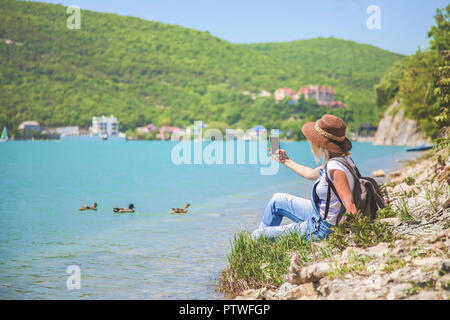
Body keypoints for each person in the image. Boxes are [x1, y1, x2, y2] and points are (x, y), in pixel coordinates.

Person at [252, 114, 358, 240]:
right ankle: (265, 237)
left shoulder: (335, 168)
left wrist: (354, 238)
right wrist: (286, 161)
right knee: (277, 200)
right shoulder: (342, 160)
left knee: (257, 235)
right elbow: (311, 174)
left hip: (321, 228)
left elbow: (350, 204)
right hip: (318, 215)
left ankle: (260, 240)